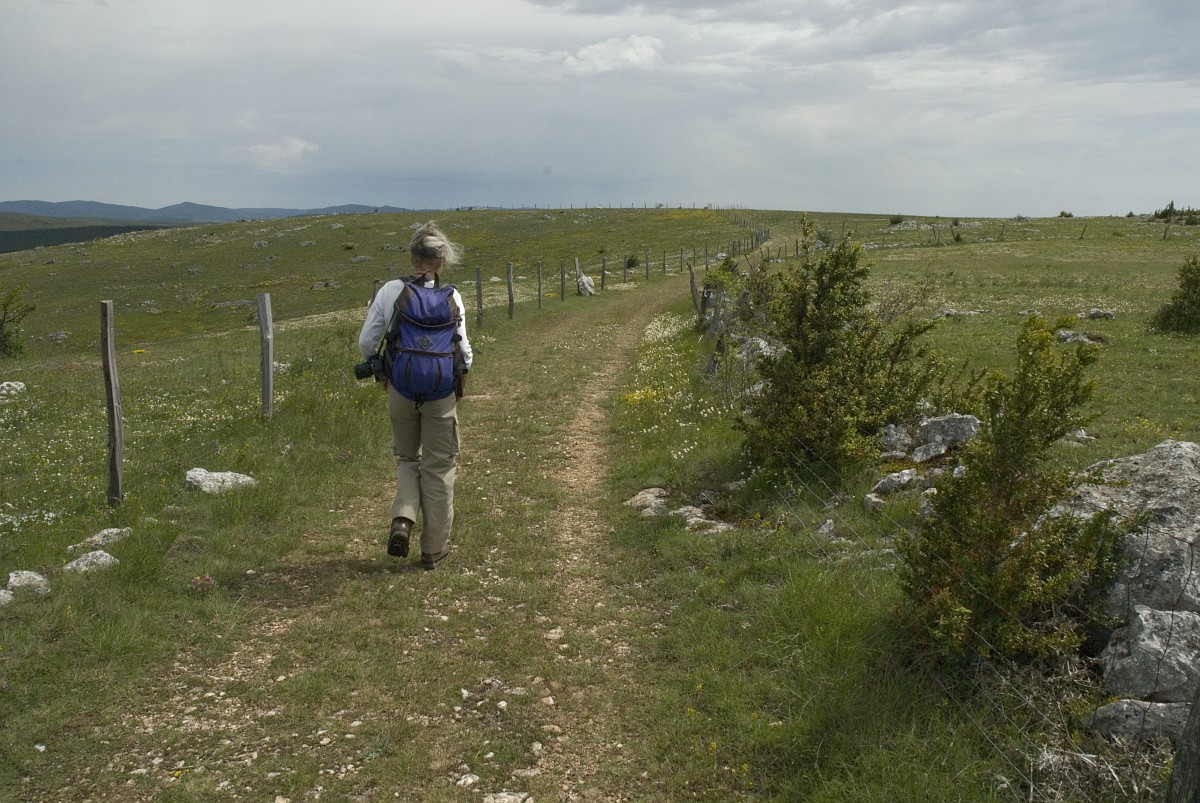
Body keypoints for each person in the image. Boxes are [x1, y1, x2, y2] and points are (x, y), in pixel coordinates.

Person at [358, 221, 472, 569]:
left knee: (408, 459)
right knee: (439, 467)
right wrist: (459, 378)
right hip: (440, 391)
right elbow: (464, 352)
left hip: (401, 387)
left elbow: (367, 342)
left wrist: (382, 372)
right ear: (441, 261)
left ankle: (403, 520)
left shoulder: (391, 291)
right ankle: (434, 548)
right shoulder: (451, 296)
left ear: (412, 258)